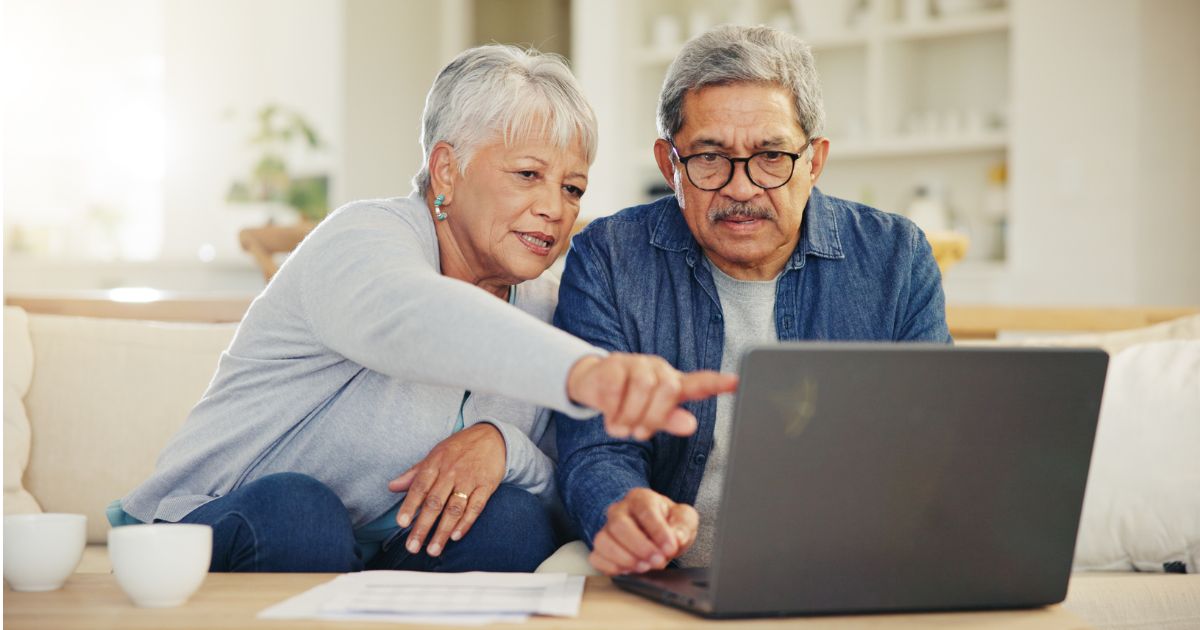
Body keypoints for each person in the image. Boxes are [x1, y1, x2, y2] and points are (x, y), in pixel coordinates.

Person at [112, 44, 736, 574]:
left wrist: (502, 444)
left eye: (572, 188)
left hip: (383, 552)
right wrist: (587, 373)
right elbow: (413, 318)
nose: (555, 206)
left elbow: (562, 481)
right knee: (302, 512)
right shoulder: (362, 241)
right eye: (527, 174)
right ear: (446, 169)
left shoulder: (547, 305)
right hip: (207, 529)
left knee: (514, 520)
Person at [554, 25, 952, 576]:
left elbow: (931, 444)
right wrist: (621, 509)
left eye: (770, 156)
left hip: (849, 574)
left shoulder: (895, 257)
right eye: (710, 158)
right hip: (670, 576)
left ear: (814, 161)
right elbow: (595, 448)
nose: (741, 188)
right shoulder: (609, 258)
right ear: (670, 166)